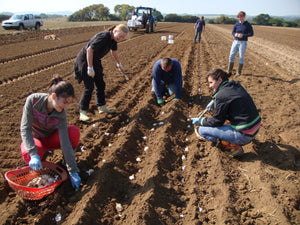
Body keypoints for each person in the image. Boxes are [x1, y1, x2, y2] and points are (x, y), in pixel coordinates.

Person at [20, 75, 81, 190]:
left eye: (68, 103)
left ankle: (64, 163)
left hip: (50, 138)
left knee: (73, 132)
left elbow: (65, 142)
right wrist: (33, 154)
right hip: (35, 138)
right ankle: (38, 167)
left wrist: (73, 171)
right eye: (65, 102)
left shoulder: (61, 112)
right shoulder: (33, 101)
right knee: (31, 152)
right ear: (54, 96)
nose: (66, 106)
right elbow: (25, 128)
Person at [192, 68, 261, 157]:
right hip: (255, 127)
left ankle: (234, 146)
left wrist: (201, 121)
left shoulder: (221, 95)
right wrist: (214, 100)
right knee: (227, 117)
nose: (209, 86)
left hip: (245, 135)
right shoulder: (234, 84)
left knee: (201, 130)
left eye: (211, 82)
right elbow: (230, 97)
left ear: (220, 79)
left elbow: (217, 121)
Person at [74, 24, 129, 121]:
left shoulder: (113, 40)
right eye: (120, 36)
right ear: (115, 31)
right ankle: (82, 112)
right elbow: (89, 50)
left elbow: (114, 51)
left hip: (95, 60)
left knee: (100, 83)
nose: (120, 38)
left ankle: (101, 106)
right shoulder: (104, 37)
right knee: (89, 86)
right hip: (85, 60)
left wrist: (118, 63)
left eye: (122, 38)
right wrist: (90, 68)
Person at [228, 11, 253, 75]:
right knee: (231, 55)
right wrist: (235, 34)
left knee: (241, 57)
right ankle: (229, 71)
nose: (240, 18)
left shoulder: (247, 25)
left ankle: (239, 72)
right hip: (235, 41)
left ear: (244, 17)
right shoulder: (236, 24)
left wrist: (243, 35)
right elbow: (233, 32)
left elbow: (251, 33)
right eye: (239, 17)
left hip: (243, 43)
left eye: (241, 17)